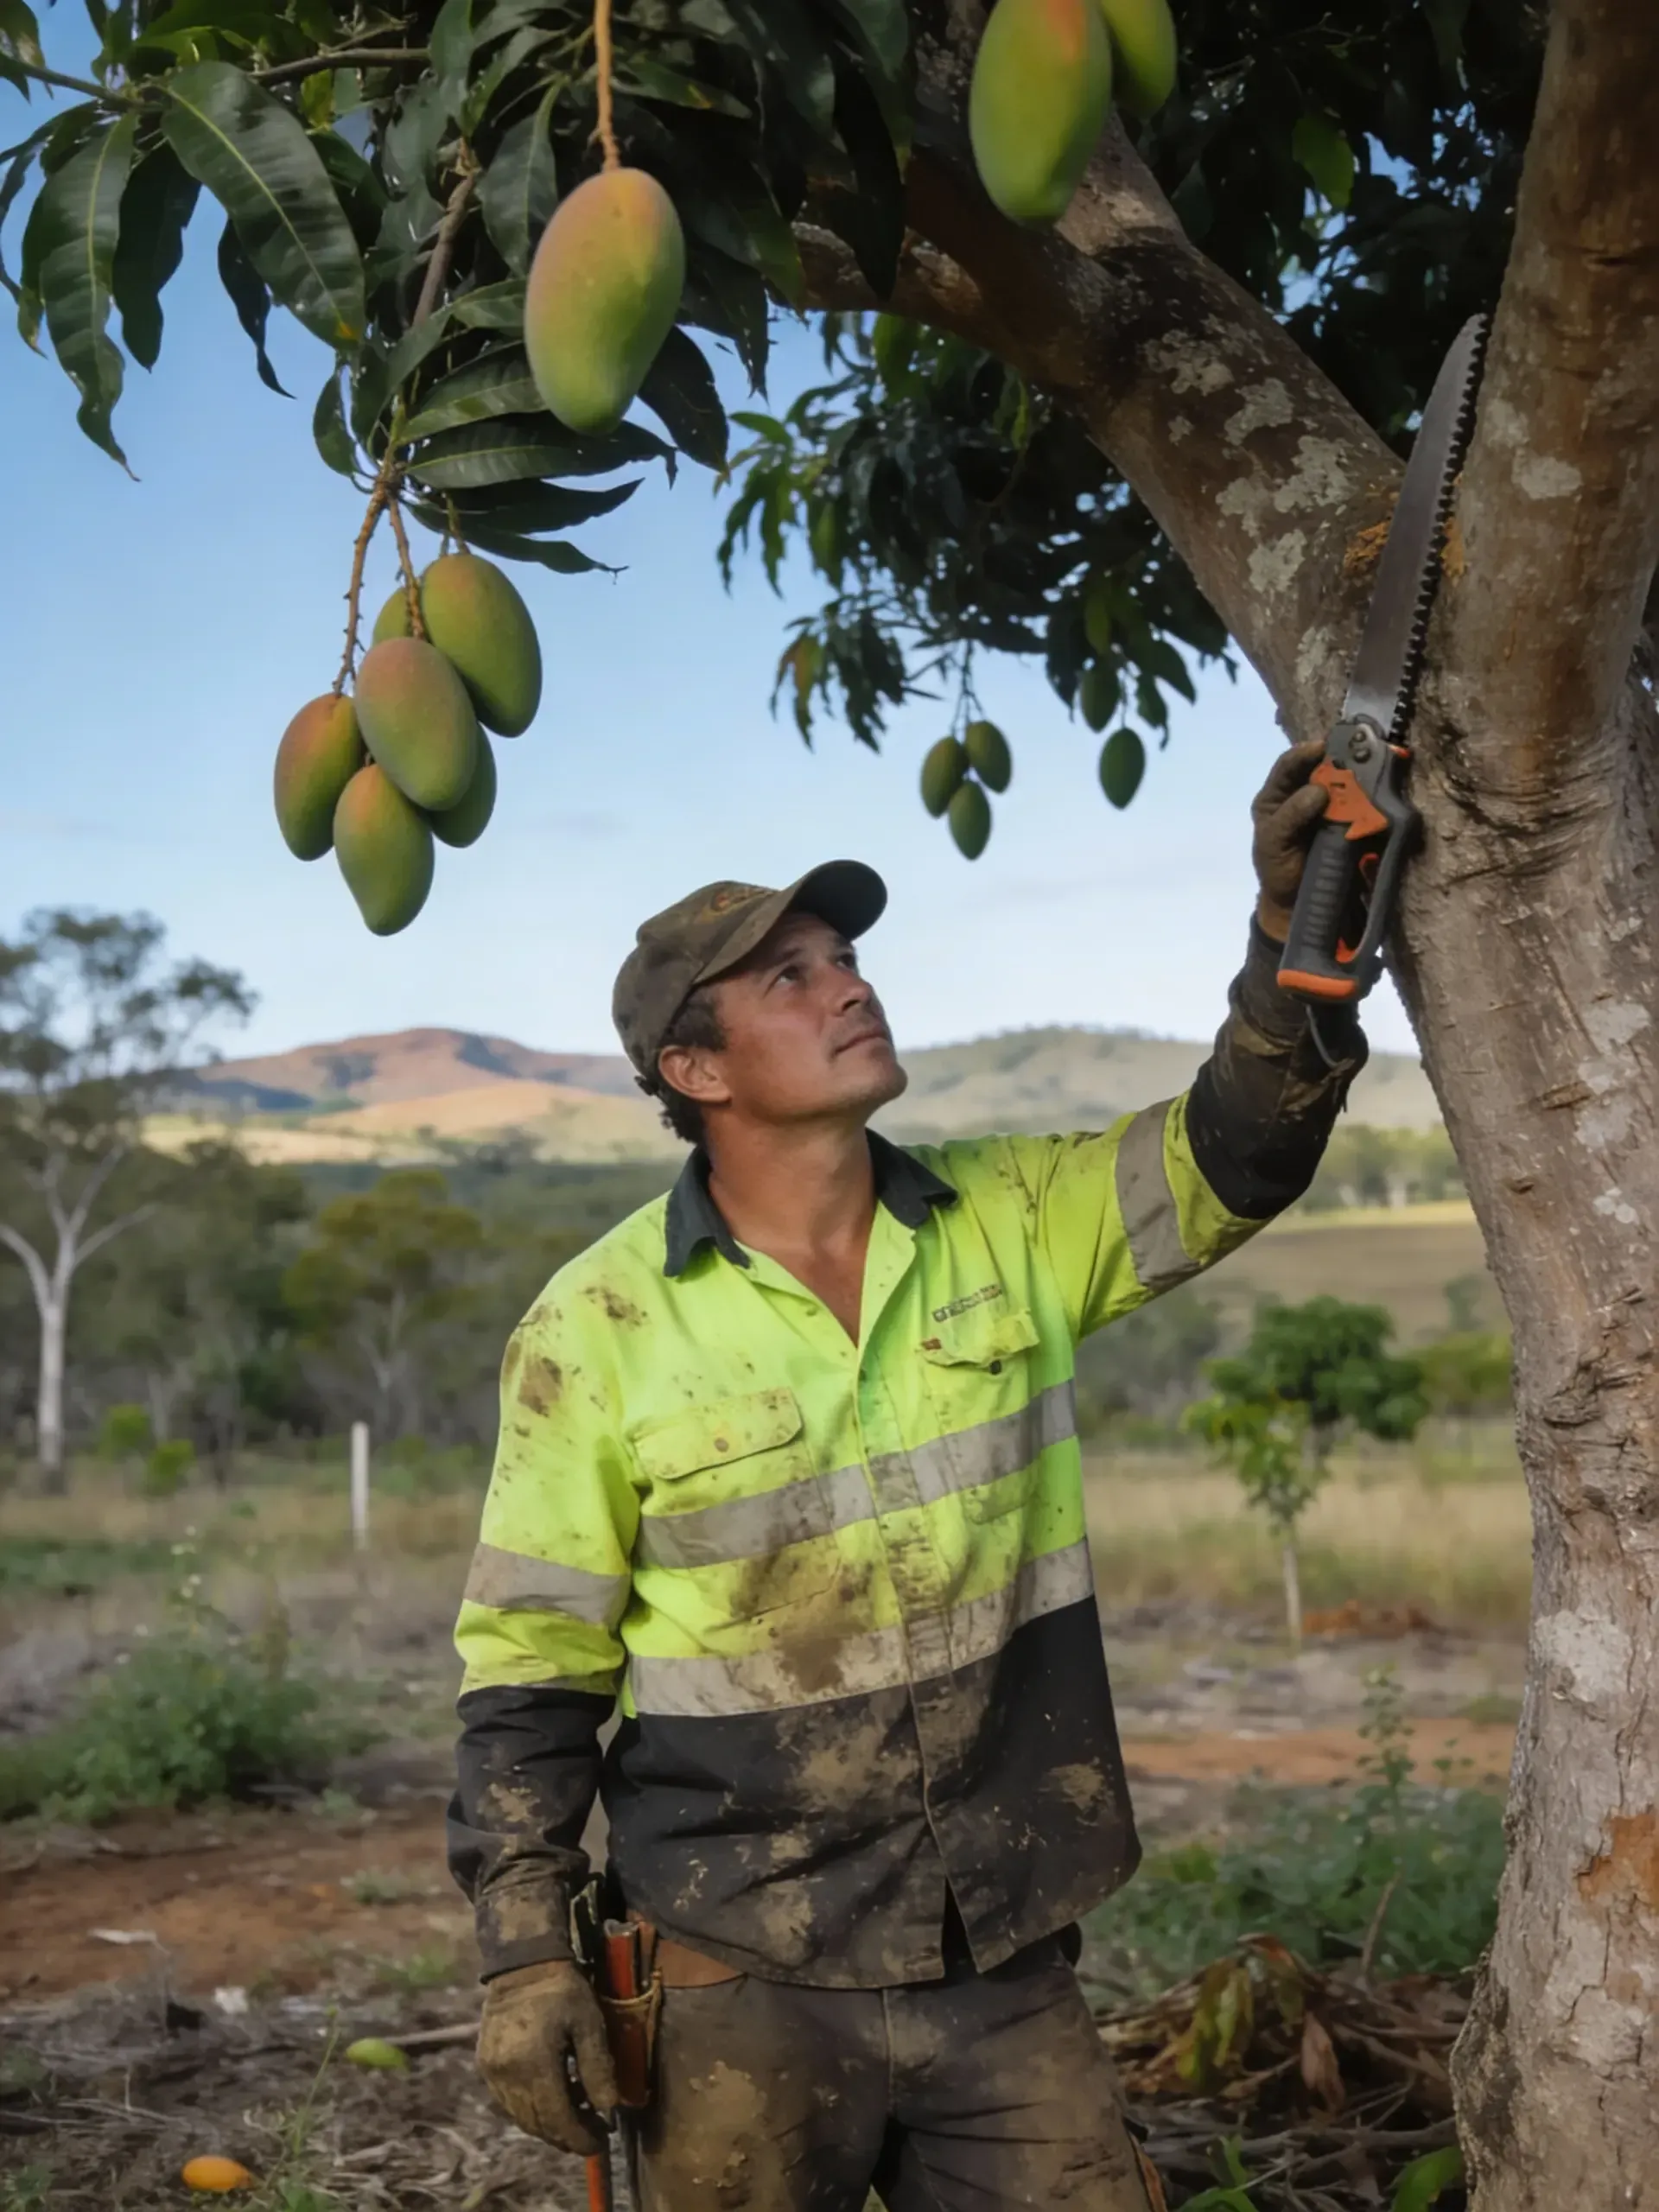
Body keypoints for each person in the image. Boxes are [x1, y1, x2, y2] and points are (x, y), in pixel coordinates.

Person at [448, 741, 1357, 2210]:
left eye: (846, 956)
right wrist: (525, 1954)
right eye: (789, 979)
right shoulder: (593, 1326)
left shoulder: (1012, 1214)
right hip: (738, 1964)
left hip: (999, 1949)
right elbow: (530, 1670)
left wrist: (1297, 932)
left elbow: (1236, 1157)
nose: (849, 986)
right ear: (694, 1071)